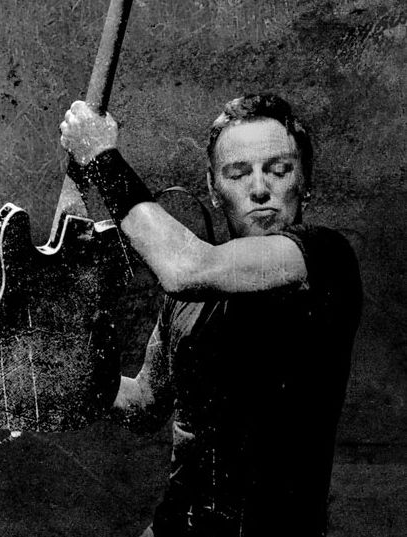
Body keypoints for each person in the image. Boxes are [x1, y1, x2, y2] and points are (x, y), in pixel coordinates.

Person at [60, 94, 362, 537]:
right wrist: (66, 369)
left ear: (306, 182)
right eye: (238, 173)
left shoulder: (322, 258)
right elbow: (143, 405)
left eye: (279, 170)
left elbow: (184, 267)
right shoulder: (189, 299)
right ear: (214, 189)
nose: (259, 189)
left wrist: (101, 157)